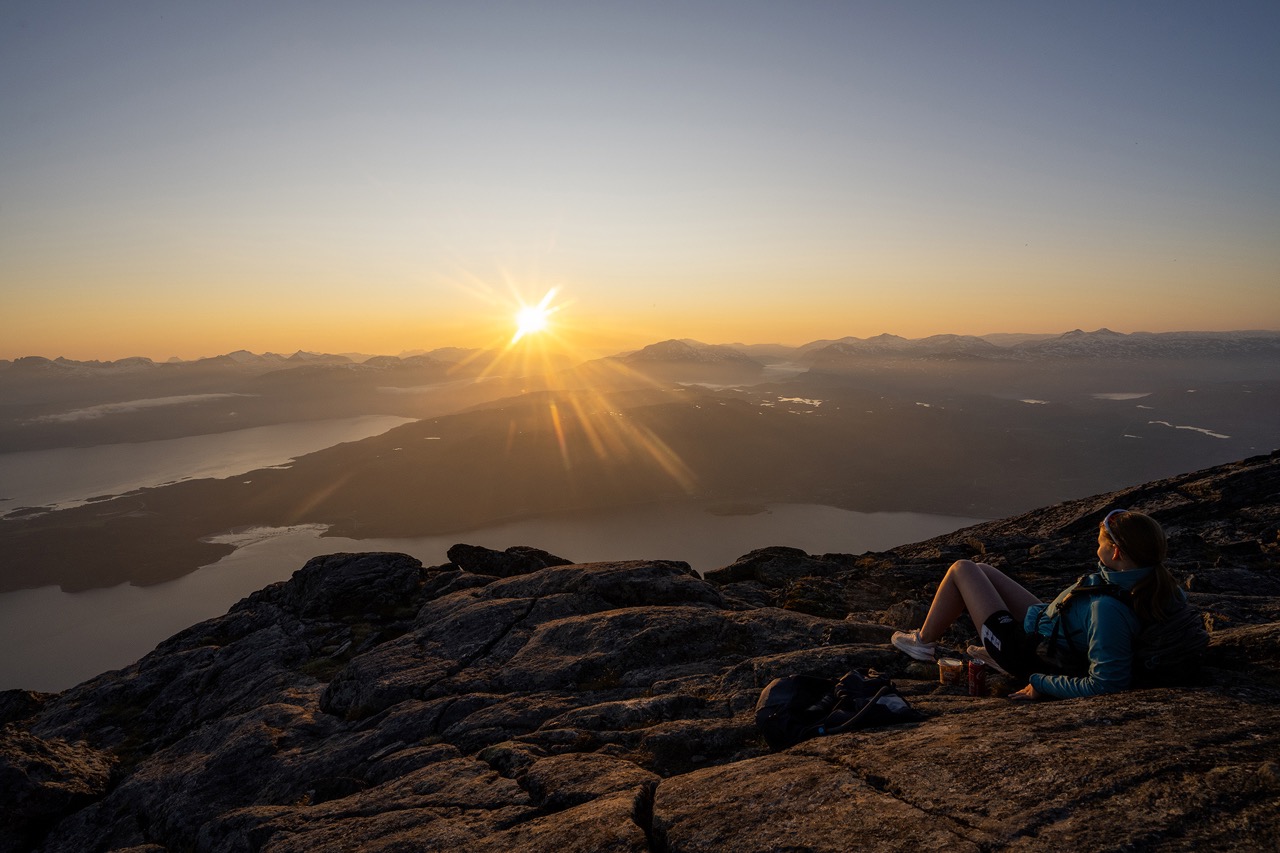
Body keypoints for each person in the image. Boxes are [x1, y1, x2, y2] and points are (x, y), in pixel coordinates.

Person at [890, 509, 1180, 700]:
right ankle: (982, 651)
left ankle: (923, 642)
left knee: (962, 569)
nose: (1097, 542)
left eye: (1100, 539)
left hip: (1026, 653)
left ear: (1115, 551)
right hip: (1053, 632)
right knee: (982, 569)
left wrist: (1040, 684)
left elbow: (1107, 685)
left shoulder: (1107, 610)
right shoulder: (1155, 584)